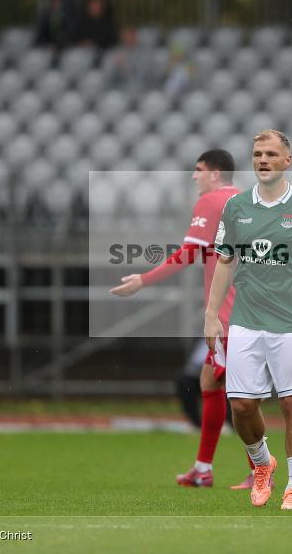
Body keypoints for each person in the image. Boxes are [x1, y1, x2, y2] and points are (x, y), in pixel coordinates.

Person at [205, 129, 292, 511]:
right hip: (246, 321)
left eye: (270, 153)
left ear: (288, 161)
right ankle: (262, 463)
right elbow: (224, 260)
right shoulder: (236, 208)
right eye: (256, 154)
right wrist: (210, 316)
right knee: (241, 407)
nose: (262, 160)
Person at [110, 150, 255, 489]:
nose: (195, 177)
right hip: (253, 312)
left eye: (199, 170)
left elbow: (188, 253)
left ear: (216, 173)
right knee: (212, 383)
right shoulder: (250, 201)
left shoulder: (212, 202)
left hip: (229, 317)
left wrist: (143, 280)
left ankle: (260, 470)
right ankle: (203, 468)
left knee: (243, 400)